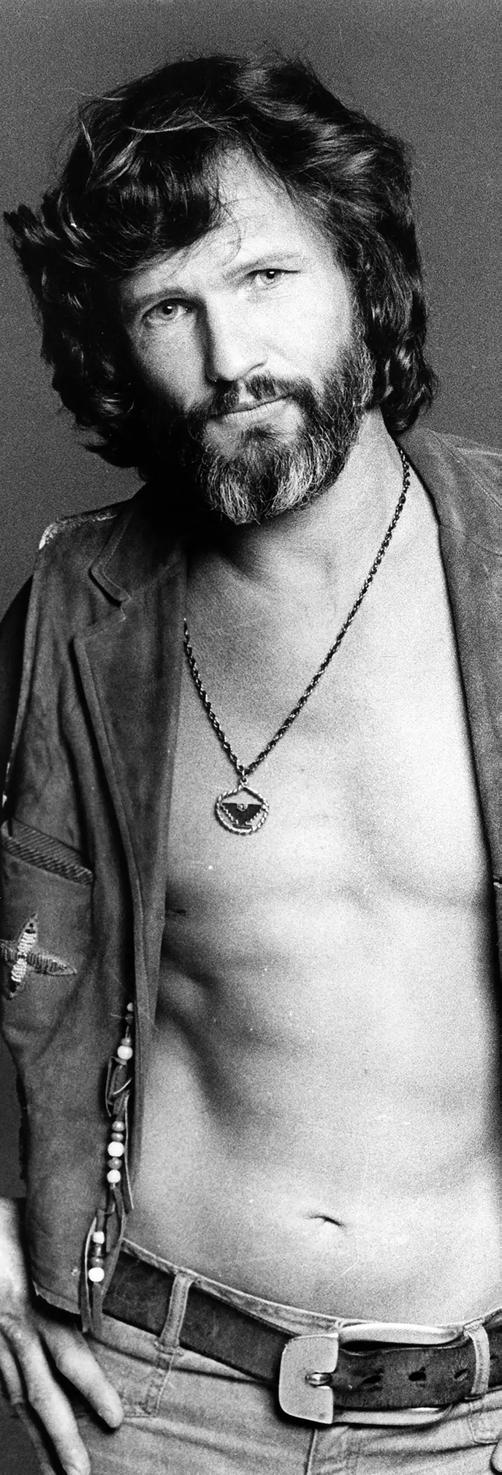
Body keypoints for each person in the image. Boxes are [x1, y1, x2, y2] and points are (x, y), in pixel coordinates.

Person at [0, 51, 500, 1475]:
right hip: (158, 1400)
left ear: (361, 274)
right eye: (170, 308)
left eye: (266, 277)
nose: (230, 362)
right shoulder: (75, 618)